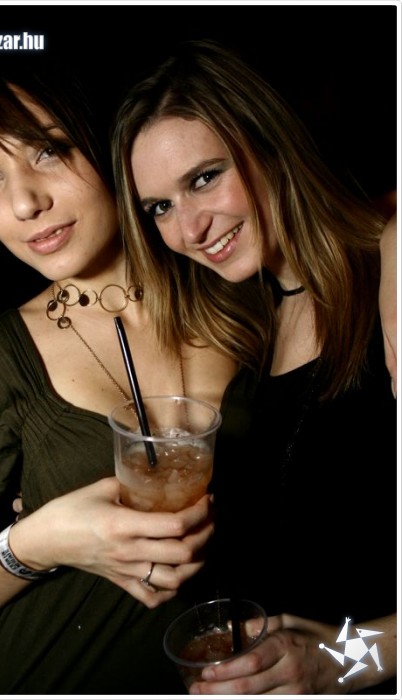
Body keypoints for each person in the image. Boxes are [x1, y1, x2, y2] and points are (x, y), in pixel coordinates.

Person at [0, 55, 251, 693]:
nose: (24, 202)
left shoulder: (243, 294)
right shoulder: (1, 358)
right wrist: (37, 543)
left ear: (110, 142)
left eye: (49, 151)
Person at [112, 39, 398, 694]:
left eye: (203, 178)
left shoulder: (393, 293)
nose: (189, 229)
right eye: (160, 208)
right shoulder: (251, 337)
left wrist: (340, 660)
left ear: (270, 144)